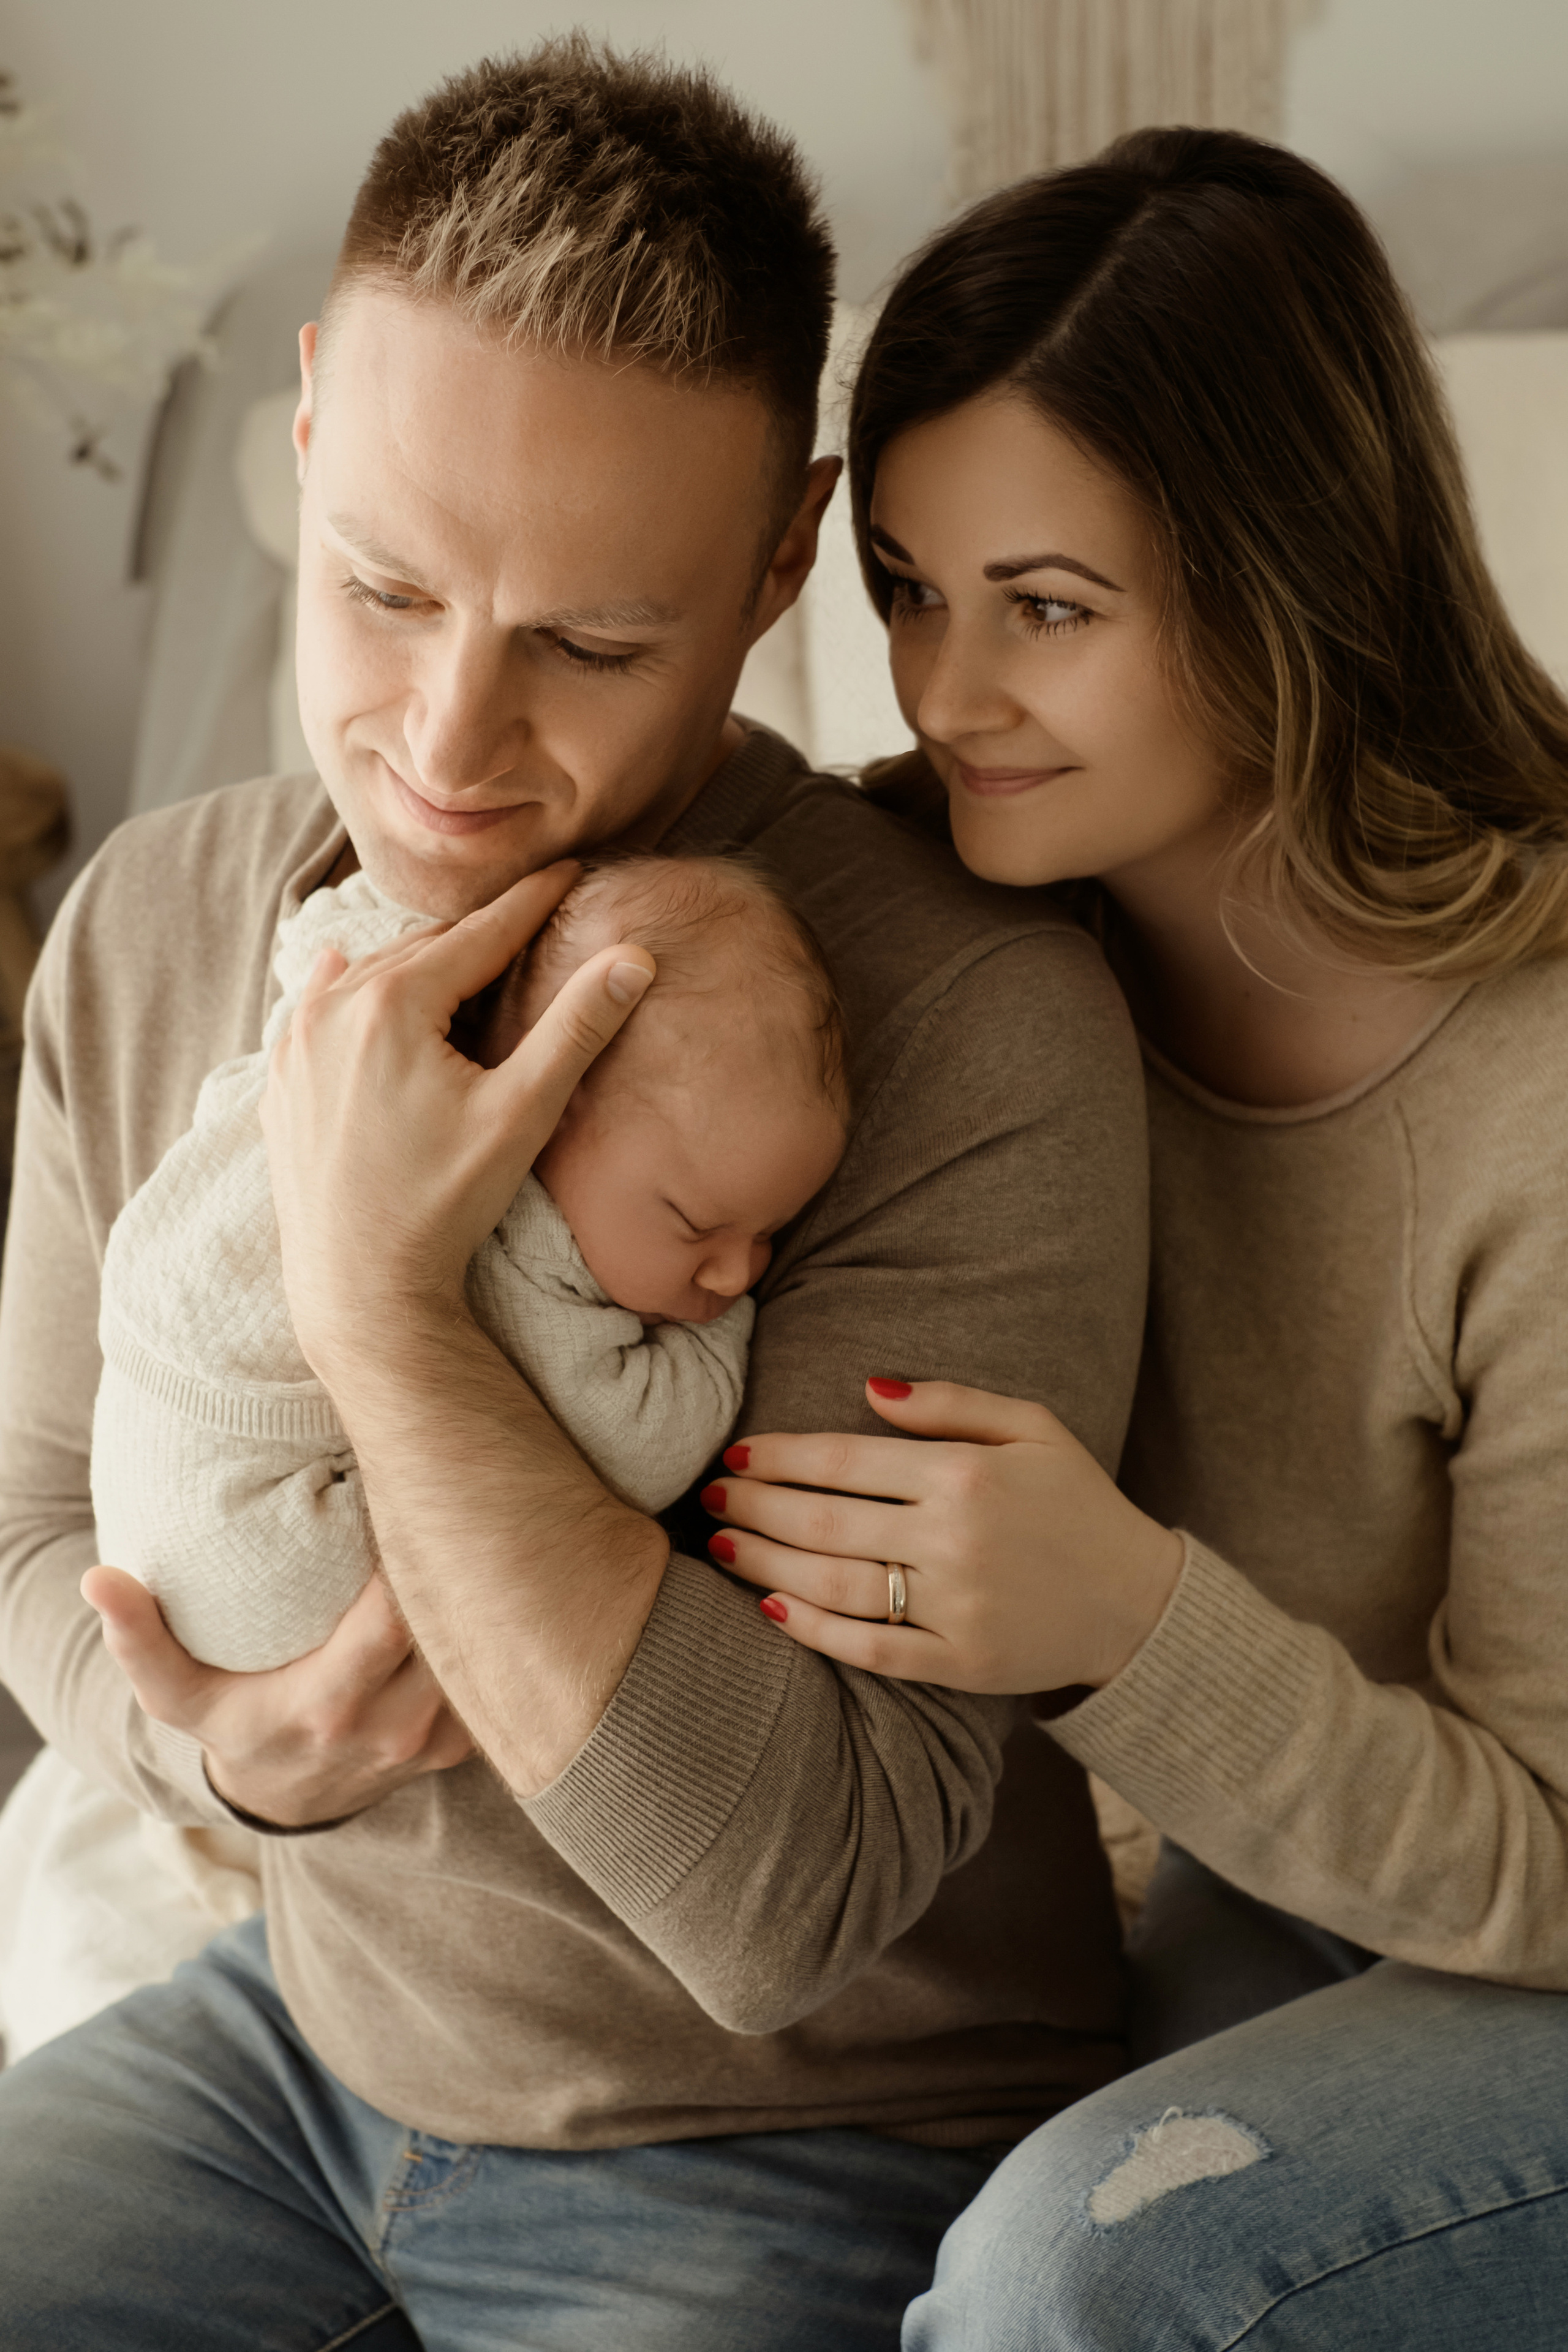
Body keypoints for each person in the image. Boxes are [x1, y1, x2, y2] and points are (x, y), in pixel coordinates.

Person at [0, 41, 1151, 2350]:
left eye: (591, 647)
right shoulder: (149, 923)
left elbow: (785, 1900)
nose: (443, 742)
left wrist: (385, 1302)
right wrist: (227, 1757)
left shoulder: (958, 1025)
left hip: (809, 2134)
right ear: (307, 426)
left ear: (780, 561)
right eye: (381, 587)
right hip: (298, 2060)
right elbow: (35, 1525)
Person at [706, 127, 1568, 2345]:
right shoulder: (924, 918)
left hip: (1535, 1922)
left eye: (1050, 608)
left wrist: (1118, 1625)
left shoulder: (1539, 1098)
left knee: (1077, 2270)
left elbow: (1553, 1861)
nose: (944, 692)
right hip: (1286, 1887)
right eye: (908, 588)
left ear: (1292, 579)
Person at [91, 853, 848, 1672]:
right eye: (696, 1225)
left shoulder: (362, 1019)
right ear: (544, 1110)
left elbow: (327, 936)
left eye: (773, 1231)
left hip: (146, 1396)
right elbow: (639, 1451)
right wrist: (718, 1335)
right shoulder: (533, 1263)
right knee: (453, 1538)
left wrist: (440, 931)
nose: (738, 1275)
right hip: (245, 1538)